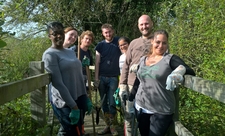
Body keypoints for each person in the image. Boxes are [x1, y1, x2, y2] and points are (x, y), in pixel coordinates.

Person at [128, 30, 196, 136]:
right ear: (152, 41)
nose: (160, 46)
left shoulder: (170, 59)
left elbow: (190, 71)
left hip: (161, 111)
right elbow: (138, 81)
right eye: (158, 42)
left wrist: (179, 72)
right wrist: (131, 99)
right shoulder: (143, 59)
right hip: (141, 108)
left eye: (164, 43)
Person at [42, 22, 92, 136]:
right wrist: (73, 106)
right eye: (55, 34)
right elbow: (58, 83)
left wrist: (85, 97)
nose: (58, 36)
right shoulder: (49, 55)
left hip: (78, 97)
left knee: (79, 130)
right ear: (50, 36)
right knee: (72, 132)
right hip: (64, 102)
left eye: (60, 33)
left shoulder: (70, 52)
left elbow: (79, 76)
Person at [119, 14, 154, 136]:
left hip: (148, 87)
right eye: (141, 24)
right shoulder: (133, 43)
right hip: (130, 85)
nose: (144, 26)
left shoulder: (158, 41)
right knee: (129, 116)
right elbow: (126, 65)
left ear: (151, 24)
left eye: (146, 23)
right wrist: (122, 84)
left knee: (143, 117)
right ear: (138, 26)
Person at [94, 23, 121, 136]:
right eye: (105, 32)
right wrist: (96, 78)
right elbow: (97, 62)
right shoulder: (100, 45)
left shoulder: (118, 42)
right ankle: (108, 126)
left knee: (112, 102)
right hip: (102, 78)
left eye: (109, 31)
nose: (108, 34)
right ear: (102, 33)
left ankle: (113, 126)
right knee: (104, 103)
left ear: (112, 31)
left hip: (113, 78)